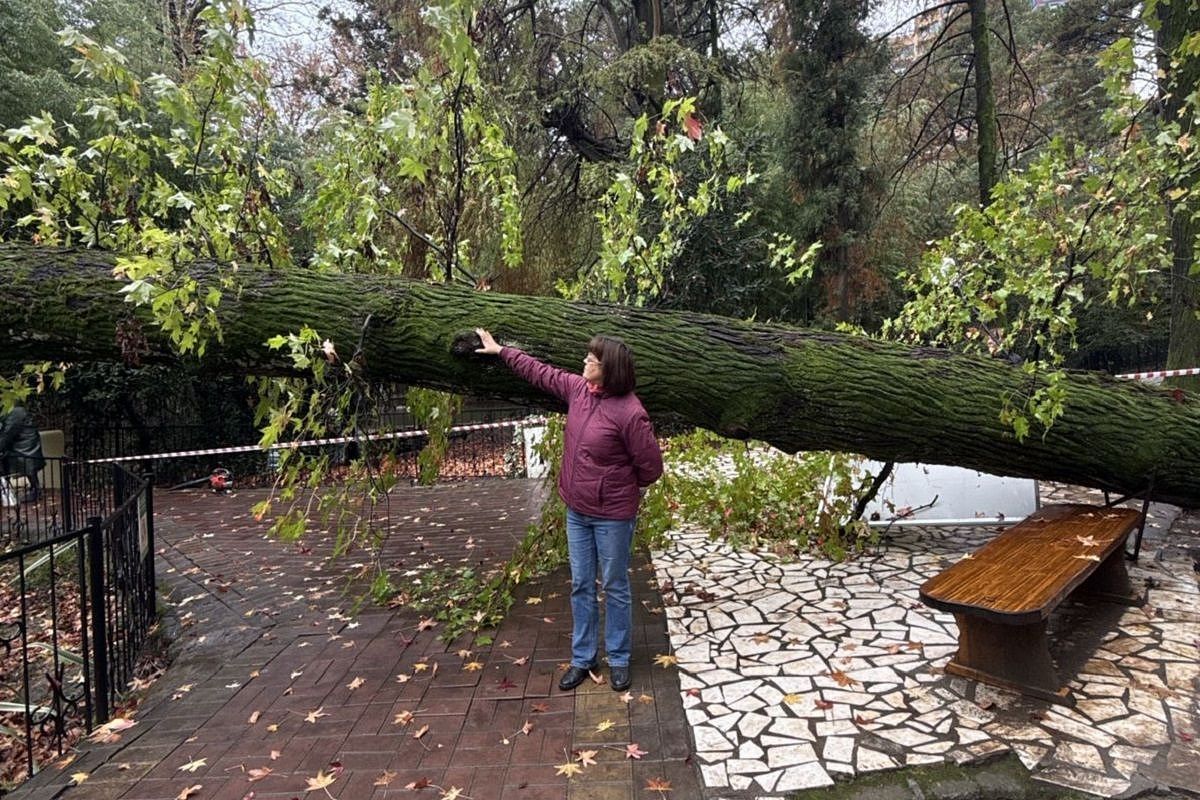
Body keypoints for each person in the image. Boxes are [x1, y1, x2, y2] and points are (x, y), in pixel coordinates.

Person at [475, 329, 663, 692]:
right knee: (580, 583)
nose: (585, 361)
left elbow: (651, 468)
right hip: (577, 511)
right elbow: (539, 372)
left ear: (610, 369)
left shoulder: (630, 413)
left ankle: (620, 658)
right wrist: (501, 351)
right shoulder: (579, 390)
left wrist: (614, 487)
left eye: (592, 359)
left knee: (614, 584)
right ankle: (583, 657)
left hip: (612, 516)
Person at [0, 405, 46, 503]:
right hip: (23, 443)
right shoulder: (12, 410)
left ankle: (8, 492)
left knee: (26, 467)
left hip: (24, 445)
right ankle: (34, 489)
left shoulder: (15, 412)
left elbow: (8, 433)